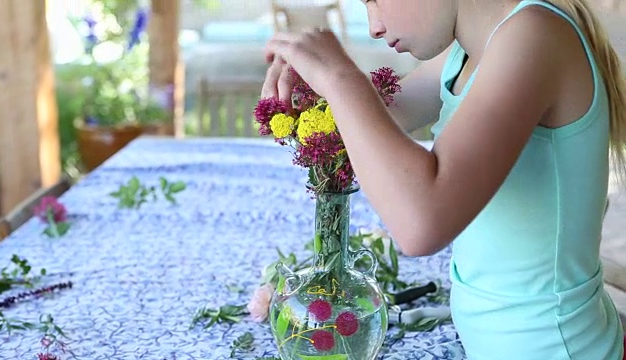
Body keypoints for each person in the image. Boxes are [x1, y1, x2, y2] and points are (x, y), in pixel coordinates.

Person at [261, 0, 626, 358]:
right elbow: (372, 123)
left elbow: (421, 222)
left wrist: (340, 78)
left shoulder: (536, 36)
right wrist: (309, 90)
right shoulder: (466, 54)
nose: (374, 26)